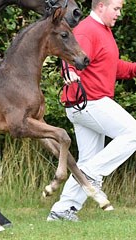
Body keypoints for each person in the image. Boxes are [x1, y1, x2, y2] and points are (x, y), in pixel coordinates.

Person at [47, 0, 136, 222]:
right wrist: (68, 72)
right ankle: (91, 175)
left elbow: (113, 66)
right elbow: (70, 58)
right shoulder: (88, 30)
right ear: (101, 6)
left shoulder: (103, 31)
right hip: (89, 102)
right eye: (116, 9)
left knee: (89, 158)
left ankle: (62, 210)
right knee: (133, 133)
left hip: (87, 103)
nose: (119, 14)